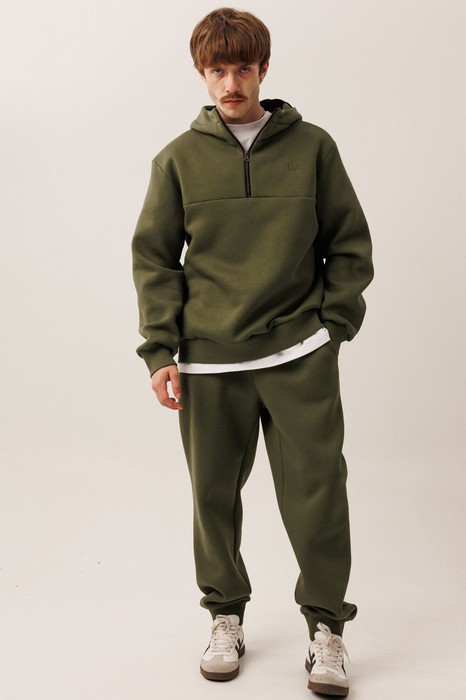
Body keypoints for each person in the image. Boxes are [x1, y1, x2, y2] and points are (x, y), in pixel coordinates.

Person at [132, 7, 373, 696]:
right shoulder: (177, 159)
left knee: (319, 495)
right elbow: (155, 259)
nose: (231, 83)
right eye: (217, 70)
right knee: (212, 498)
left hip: (299, 354)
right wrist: (160, 351)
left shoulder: (314, 148)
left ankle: (326, 629)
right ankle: (225, 616)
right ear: (201, 74)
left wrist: (332, 327)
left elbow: (348, 243)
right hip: (209, 360)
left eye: (243, 68)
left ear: (264, 69)